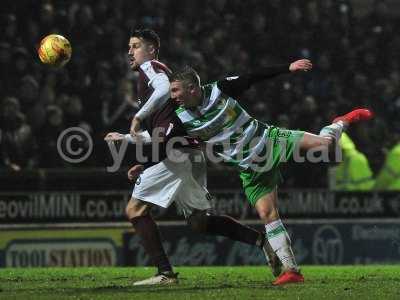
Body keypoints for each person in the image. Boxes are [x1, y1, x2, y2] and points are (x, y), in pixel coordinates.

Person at [168, 64, 373, 285]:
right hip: (250, 168)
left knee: (326, 145)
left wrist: (287, 68)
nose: (173, 96)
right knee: (268, 214)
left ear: (192, 88)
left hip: (270, 141)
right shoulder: (179, 119)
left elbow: (253, 75)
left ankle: (340, 122)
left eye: (176, 91)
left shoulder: (220, 89)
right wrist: (143, 164)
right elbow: (162, 142)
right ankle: (292, 270)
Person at [105, 29, 280, 285]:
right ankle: (261, 241)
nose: (130, 51)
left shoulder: (151, 68)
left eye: (135, 46)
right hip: (188, 153)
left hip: (177, 155)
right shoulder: (154, 85)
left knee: (135, 209)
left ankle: (165, 273)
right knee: (199, 222)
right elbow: (162, 134)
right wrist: (130, 140)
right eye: (129, 47)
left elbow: (164, 89)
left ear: (151, 49)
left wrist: (138, 116)